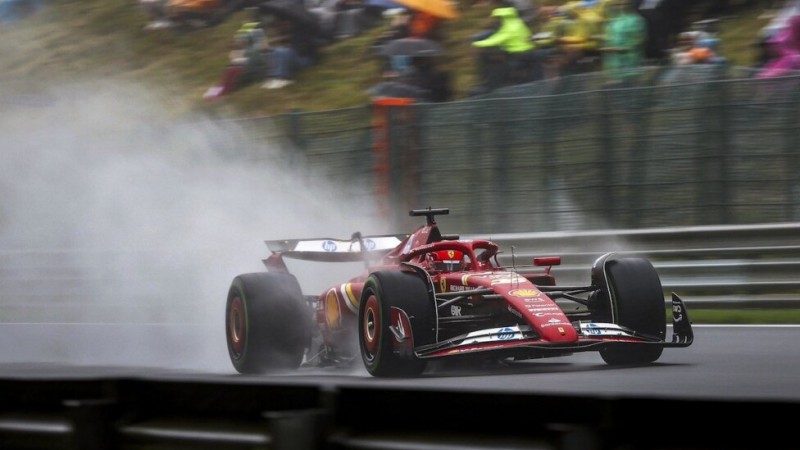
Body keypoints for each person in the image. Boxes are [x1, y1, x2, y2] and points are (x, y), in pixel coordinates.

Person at [470, 4, 538, 94]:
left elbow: (495, 40)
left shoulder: (509, 28)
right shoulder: (519, 23)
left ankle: (492, 87)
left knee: (496, 65)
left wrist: (475, 44)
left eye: (498, 18)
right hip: (529, 52)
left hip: (519, 55)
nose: (496, 20)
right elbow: (529, 36)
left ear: (503, 18)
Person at [262, 17, 323, 89]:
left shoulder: (301, 33)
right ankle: (273, 77)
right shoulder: (293, 33)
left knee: (281, 51)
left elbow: (297, 51)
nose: (280, 28)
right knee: (276, 52)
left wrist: (271, 48)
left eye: (282, 25)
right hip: (299, 58)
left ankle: (282, 78)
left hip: (307, 60)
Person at [599, 0, 646, 86]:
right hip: (613, 67)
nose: (621, 6)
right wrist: (606, 47)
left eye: (624, 4)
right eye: (618, 4)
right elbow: (607, 40)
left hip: (630, 64)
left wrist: (624, 48)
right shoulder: (612, 22)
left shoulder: (636, 20)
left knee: (630, 90)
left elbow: (639, 39)